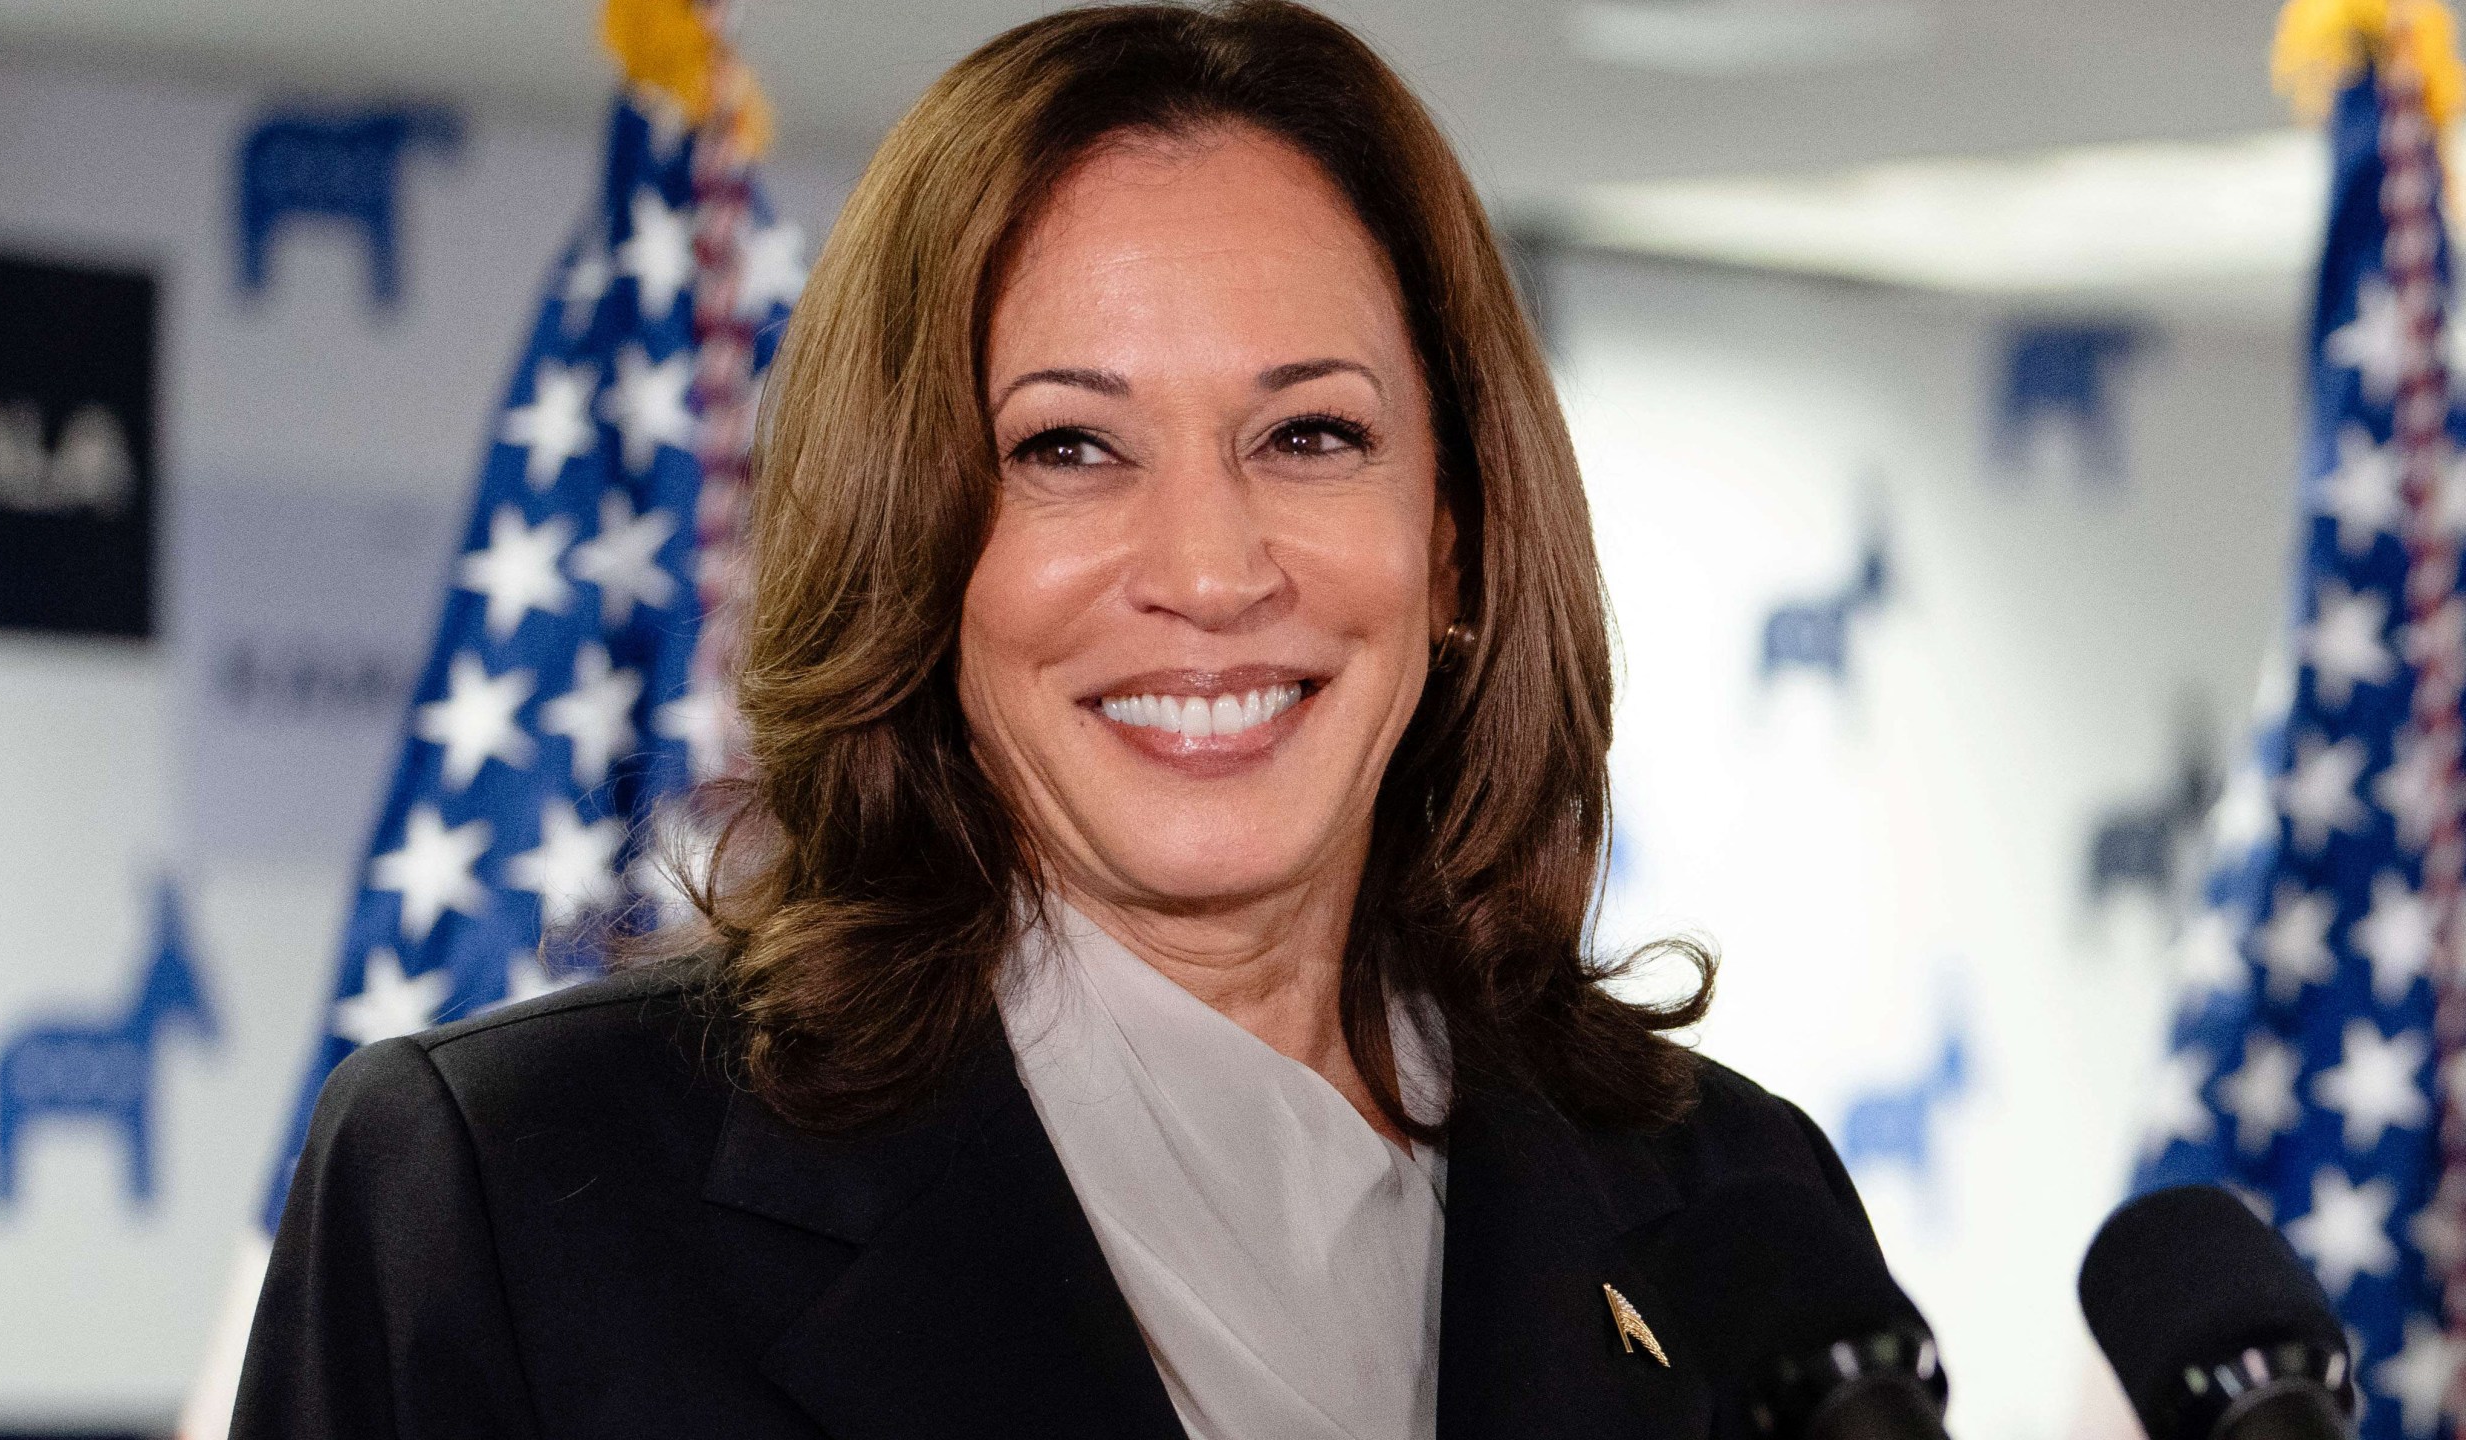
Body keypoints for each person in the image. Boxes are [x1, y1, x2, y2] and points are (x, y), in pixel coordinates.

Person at [230, 4, 1913, 1438]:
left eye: (1311, 436)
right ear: (915, 552)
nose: (1209, 568)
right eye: (1067, 448)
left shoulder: (1728, 1199)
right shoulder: (511, 1197)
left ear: (1457, 544)